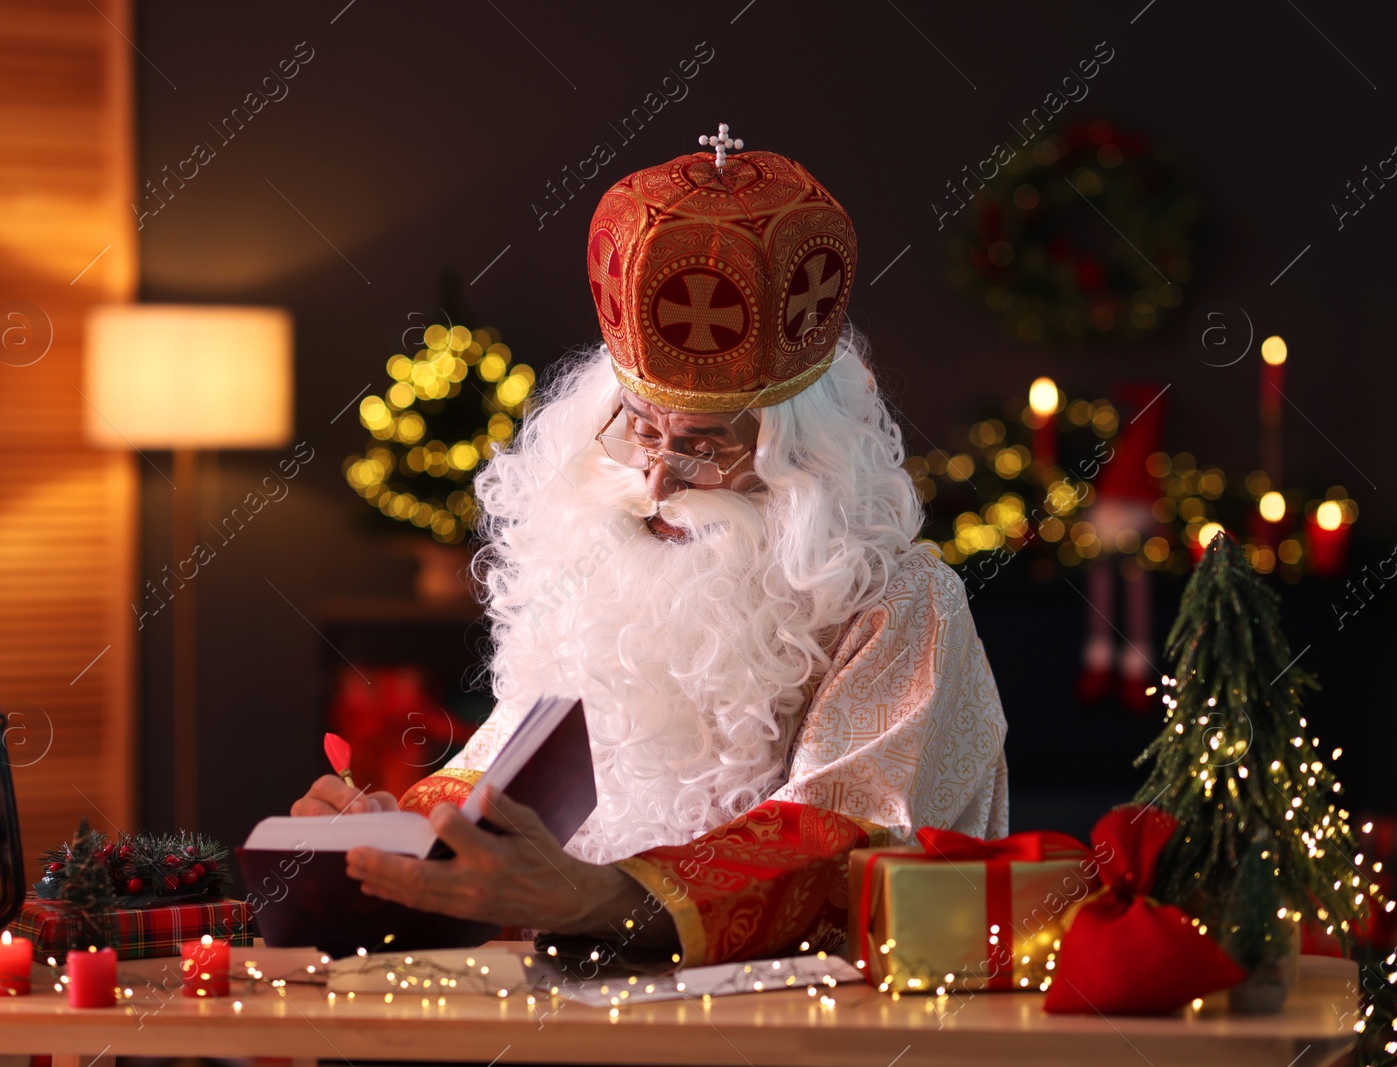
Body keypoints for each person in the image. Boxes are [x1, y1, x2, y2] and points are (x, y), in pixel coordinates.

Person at [293, 128, 1009, 967]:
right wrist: (406, 839)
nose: (660, 482)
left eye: (706, 445)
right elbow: (508, 767)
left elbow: (840, 835)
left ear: (804, 460)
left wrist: (599, 896)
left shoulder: (902, 603)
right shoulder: (607, 561)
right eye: (640, 431)